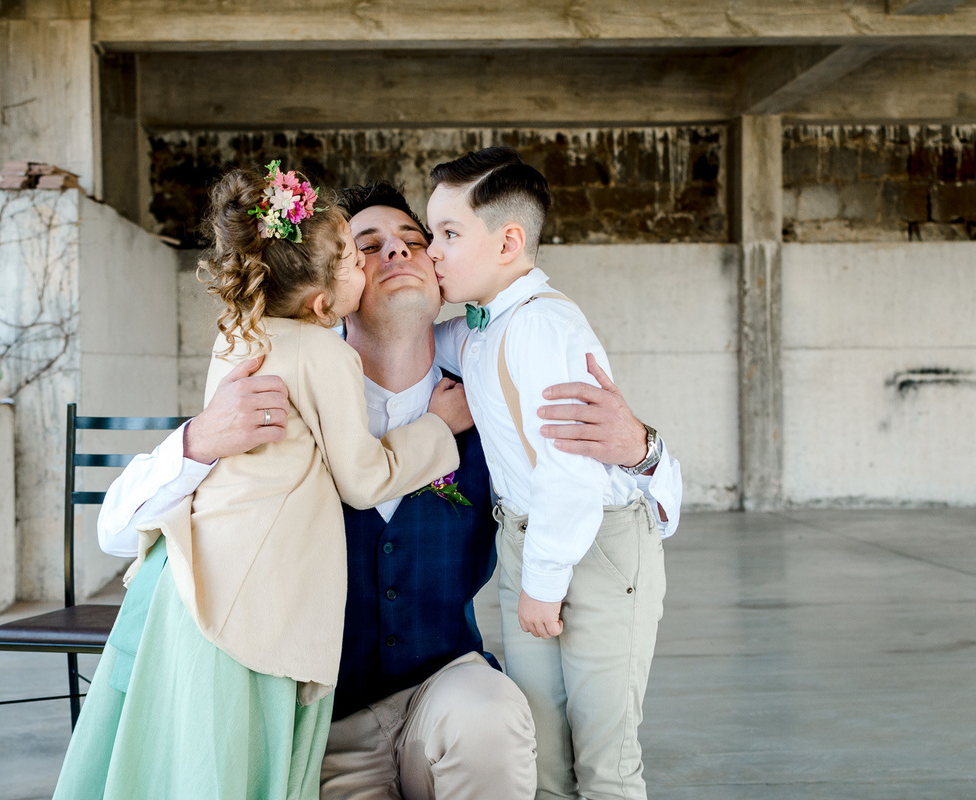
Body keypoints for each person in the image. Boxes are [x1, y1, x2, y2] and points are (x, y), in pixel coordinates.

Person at [95, 179, 676, 799]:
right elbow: (115, 531)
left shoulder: (487, 394)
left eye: (415, 239)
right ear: (328, 290)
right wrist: (196, 441)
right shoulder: (277, 402)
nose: (396, 253)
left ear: (439, 267)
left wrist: (643, 450)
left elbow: (645, 510)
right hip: (328, 720)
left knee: (495, 717)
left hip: (443, 689)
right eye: (365, 246)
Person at [52, 163, 471, 800]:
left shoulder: (237, 335)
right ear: (324, 303)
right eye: (359, 255)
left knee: (183, 762)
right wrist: (439, 430)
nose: (385, 260)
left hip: (187, 582)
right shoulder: (327, 353)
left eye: (415, 242)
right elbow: (363, 478)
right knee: (241, 766)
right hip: (256, 601)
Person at [426, 147, 682, 800]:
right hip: (529, 542)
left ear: (509, 241)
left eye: (449, 235)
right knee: (541, 755)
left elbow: (570, 473)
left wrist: (542, 583)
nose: (433, 251)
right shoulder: (485, 324)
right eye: (431, 234)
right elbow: (427, 342)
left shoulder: (542, 325)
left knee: (604, 763)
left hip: (591, 547)